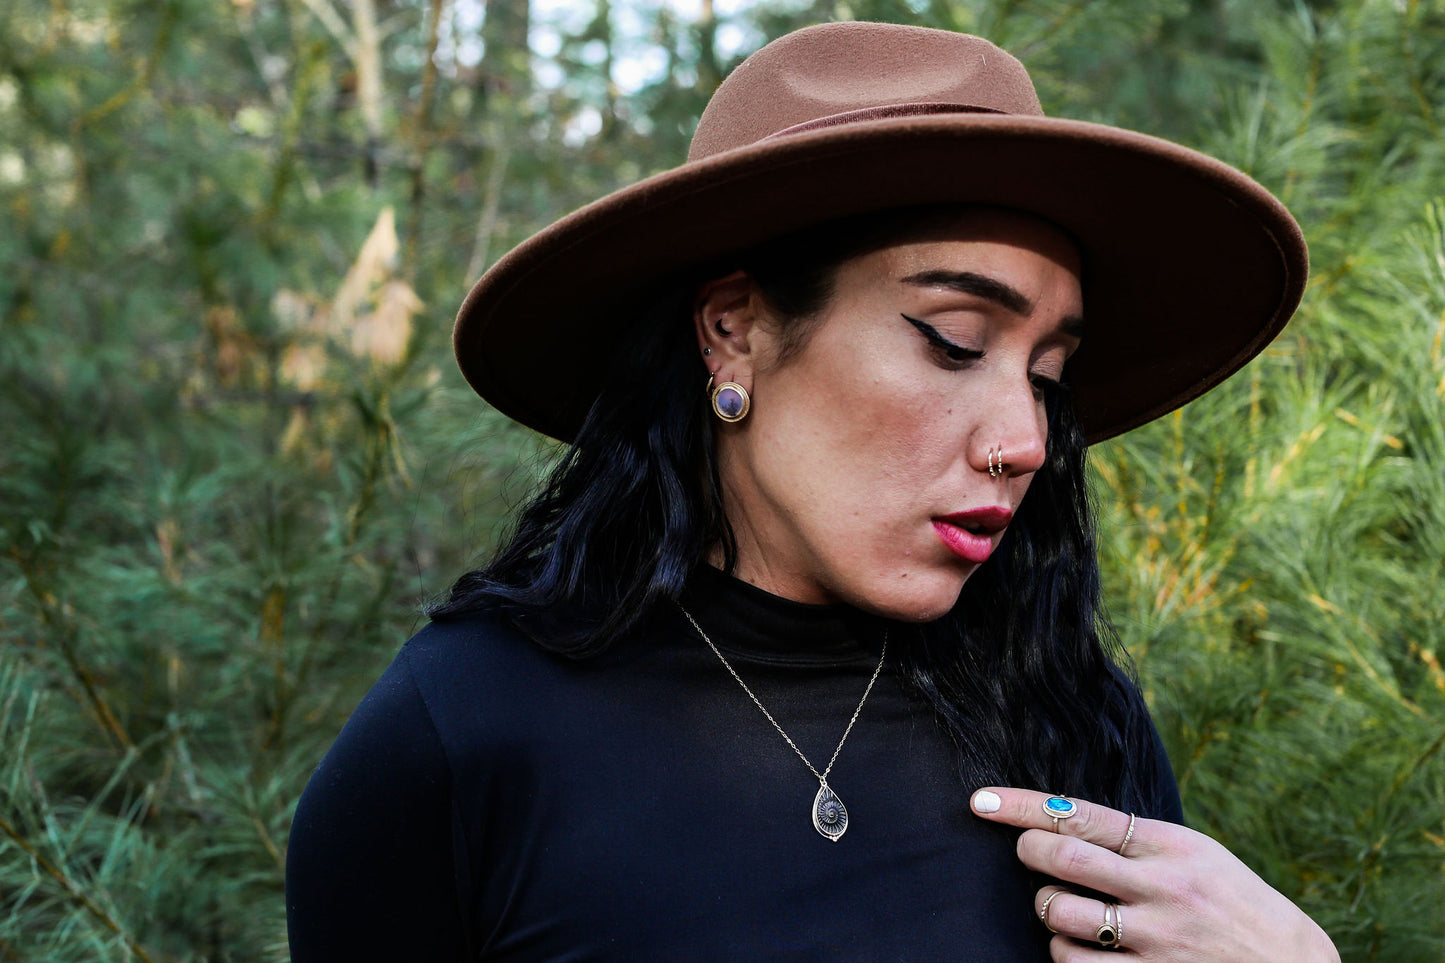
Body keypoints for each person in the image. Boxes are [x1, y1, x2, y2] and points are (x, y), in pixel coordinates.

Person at [286, 21, 1338, 961]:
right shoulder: (460, 734)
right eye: (954, 341)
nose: (1025, 440)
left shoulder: (1065, 714)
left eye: (1045, 375)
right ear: (732, 330)